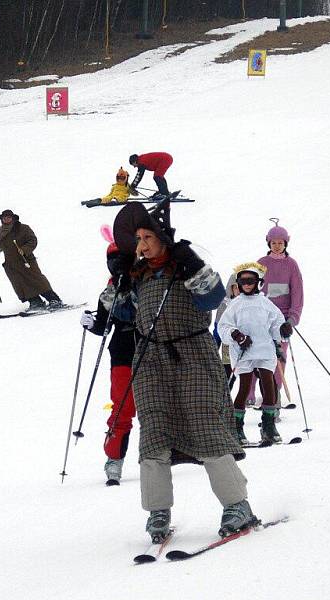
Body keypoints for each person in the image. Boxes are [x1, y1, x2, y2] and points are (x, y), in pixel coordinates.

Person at [111, 200, 254, 541]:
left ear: (162, 237)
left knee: (206, 429)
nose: (141, 245)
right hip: (150, 363)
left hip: (192, 357)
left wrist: (190, 264)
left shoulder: (186, 268)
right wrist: (117, 280)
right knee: (154, 436)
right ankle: (158, 511)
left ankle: (238, 505)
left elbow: (213, 297)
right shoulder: (138, 275)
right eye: (138, 239)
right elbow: (118, 313)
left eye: (147, 237)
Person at [79, 237, 138, 485]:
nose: (116, 265)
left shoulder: (146, 282)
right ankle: (114, 459)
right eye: (111, 260)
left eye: (120, 259)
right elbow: (104, 326)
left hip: (152, 348)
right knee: (122, 406)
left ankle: (169, 452)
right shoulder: (110, 290)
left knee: (159, 405)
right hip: (123, 352)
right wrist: (92, 324)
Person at [217, 263, 287, 446]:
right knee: (244, 387)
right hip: (243, 351)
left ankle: (268, 425)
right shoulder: (235, 305)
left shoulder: (265, 303)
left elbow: (276, 323)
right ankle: (237, 427)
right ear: (238, 283)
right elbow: (223, 326)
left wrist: (283, 329)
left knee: (268, 385)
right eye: (243, 281)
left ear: (258, 282)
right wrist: (236, 335)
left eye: (251, 281)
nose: (247, 284)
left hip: (264, 349)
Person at [245, 219, 303, 409]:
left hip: (282, 320)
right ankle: (250, 392)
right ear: (268, 243)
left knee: (279, 358)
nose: (277, 246)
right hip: (261, 318)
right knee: (256, 354)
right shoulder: (261, 264)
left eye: (281, 242)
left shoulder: (291, 265)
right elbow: (252, 288)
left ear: (286, 243)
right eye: (274, 242)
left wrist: (292, 319)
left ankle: (275, 393)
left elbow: (297, 293)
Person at [0, 209, 63, 311]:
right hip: (11, 265)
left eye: (9, 217)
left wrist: (24, 250)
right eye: (4, 217)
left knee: (37, 281)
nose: (6, 219)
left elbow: (33, 240)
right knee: (21, 284)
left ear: (13, 218)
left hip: (25, 260)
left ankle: (54, 300)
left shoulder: (23, 228)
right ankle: (35, 302)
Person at [213, 273, 239, 385]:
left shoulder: (244, 303)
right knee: (226, 367)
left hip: (238, 343)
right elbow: (217, 326)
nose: (238, 290)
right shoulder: (224, 303)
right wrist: (215, 344)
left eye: (240, 286)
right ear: (231, 287)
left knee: (233, 370)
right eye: (236, 287)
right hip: (225, 342)